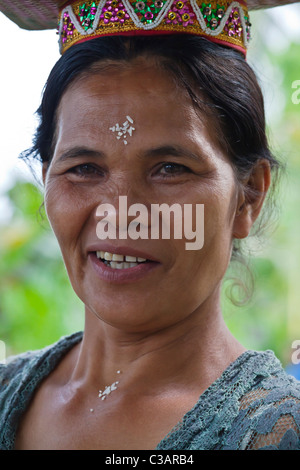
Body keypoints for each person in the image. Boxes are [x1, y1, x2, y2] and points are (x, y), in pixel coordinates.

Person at [1, 0, 300, 450]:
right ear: (46, 183)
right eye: (83, 168)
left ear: (247, 196)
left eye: (170, 168)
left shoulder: (280, 432)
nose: (120, 213)